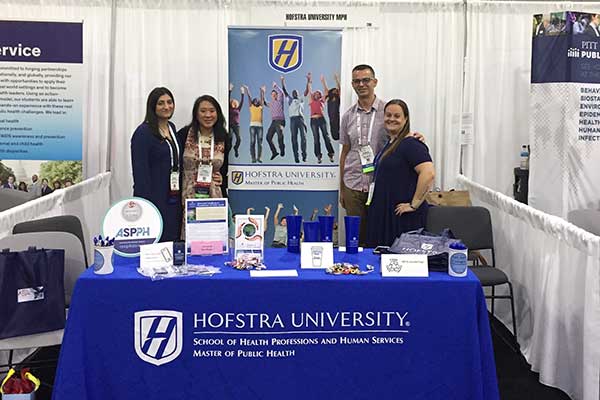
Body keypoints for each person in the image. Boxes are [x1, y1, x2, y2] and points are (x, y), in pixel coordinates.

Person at [339, 64, 424, 246]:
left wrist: (417, 137)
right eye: (357, 81)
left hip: (380, 185)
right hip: (353, 184)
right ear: (352, 84)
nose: (361, 84)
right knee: (355, 238)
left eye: (366, 80)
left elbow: (400, 136)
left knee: (377, 234)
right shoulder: (347, 116)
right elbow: (345, 152)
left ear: (375, 82)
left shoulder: (388, 112)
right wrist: (342, 188)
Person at [366, 100, 435, 247]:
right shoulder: (390, 143)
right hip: (385, 213)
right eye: (388, 115)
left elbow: (428, 173)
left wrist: (414, 204)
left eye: (397, 116)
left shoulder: (411, 144)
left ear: (405, 119)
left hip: (401, 217)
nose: (391, 119)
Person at [131, 87, 182, 242]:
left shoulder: (172, 127)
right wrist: (145, 205)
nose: (166, 107)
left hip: (173, 196)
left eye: (169, 102)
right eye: (161, 103)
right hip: (154, 198)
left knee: (173, 239)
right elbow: (140, 172)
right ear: (152, 106)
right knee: (157, 241)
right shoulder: (143, 133)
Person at [178, 95, 229, 236]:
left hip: (214, 197)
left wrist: (223, 179)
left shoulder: (224, 137)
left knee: (212, 239)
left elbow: (227, 168)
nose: (208, 115)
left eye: (212, 111)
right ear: (196, 114)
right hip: (187, 196)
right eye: (203, 111)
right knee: (191, 239)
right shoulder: (183, 135)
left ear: (218, 113)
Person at [305, 72, 335, 163]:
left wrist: (323, 81)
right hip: (313, 120)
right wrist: (309, 80)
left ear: (320, 95)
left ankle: (331, 154)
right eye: (316, 93)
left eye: (318, 93)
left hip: (322, 119)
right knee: (316, 138)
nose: (317, 94)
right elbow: (310, 90)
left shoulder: (322, 100)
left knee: (326, 136)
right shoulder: (311, 100)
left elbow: (326, 91)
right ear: (314, 95)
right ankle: (318, 156)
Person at [281, 75, 307, 163]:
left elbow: (306, 92)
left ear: (298, 94)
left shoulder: (301, 99)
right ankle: (296, 156)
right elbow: (284, 91)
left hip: (300, 119)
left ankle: (304, 155)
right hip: (293, 120)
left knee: (303, 137)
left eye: (296, 92)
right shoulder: (290, 100)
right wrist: (282, 81)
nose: (294, 93)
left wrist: (308, 81)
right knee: (294, 138)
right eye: (293, 92)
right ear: (292, 94)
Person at [243, 85, 265, 163]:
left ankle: (259, 157)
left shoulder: (260, 107)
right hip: (252, 126)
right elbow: (249, 97)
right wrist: (247, 89)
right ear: (253, 102)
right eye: (254, 100)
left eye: (257, 100)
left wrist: (262, 91)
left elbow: (262, 99)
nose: (256, 101)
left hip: (260, 126)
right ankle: (253, 158)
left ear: (258, 102)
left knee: (260, 143)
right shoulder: (251, 106)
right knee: (252, 142)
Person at [265, 82, 286, 160]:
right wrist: (263, 92)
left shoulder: (280, 100)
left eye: (275, 94)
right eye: (272, 94)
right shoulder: (271, 104)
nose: (273, 95)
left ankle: (282, 148)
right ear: (271, 96)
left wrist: (275, 86)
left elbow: (281, 93)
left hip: (280, 121)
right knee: (268, 137)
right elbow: (264, 103)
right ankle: (274, 152)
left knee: (279, 132)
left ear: (277, 95)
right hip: (273, 122)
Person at [321, 73, 341, 141]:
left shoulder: (337, 97)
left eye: (336, 90)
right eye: (334, 90)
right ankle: (336, 136)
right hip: (331, 116)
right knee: (334, 133)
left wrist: (337, 80)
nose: (336, 90)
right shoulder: (329, 97)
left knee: (337, 125)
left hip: (336, 115)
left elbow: (339, 88)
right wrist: (323, 81)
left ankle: (340, 135)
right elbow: (326, 89)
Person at [229, 83, 244, 157]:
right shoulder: (229, 108)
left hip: (237, 126)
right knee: (230, 137)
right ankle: (229, 148)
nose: (234, 103)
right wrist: (230, 90)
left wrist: (242, 93)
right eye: (232, 102)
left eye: (235, 102)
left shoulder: (238, 109)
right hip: (230, 125)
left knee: (239, 139)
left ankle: (236, 148)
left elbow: (242, 102)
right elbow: (228, 98)